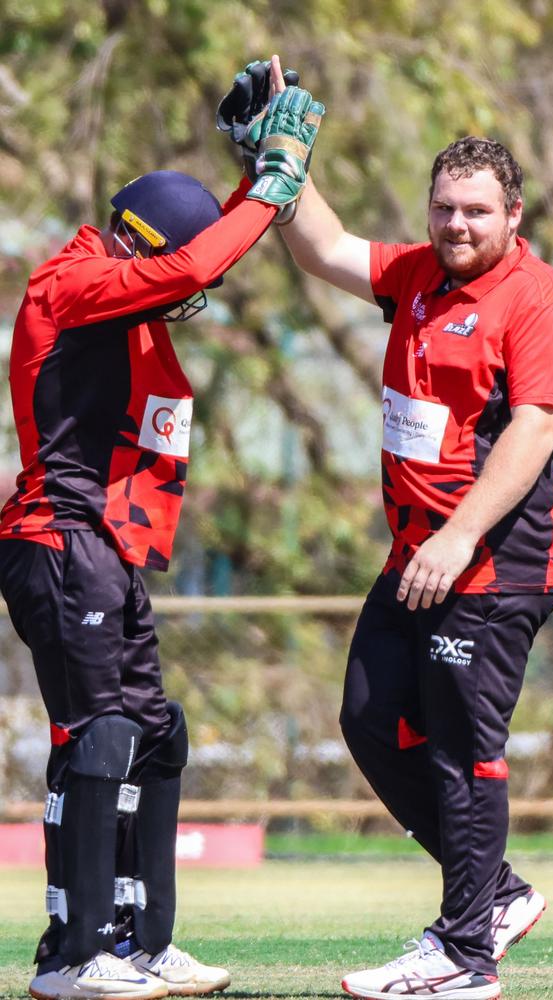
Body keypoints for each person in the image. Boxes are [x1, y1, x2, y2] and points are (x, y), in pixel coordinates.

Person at [269, 55, 553, 1000]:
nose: (457, 224)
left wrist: (458, 537)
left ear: (514, 217)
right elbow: (324, 248)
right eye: (445, 207)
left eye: (477, 211)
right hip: (415, 557)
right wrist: (283, 161)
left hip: (491, 565)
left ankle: (464, 954)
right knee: (370, 718)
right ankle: (491, 892)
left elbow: (534, 428)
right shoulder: (415, 276)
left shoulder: (540, 303)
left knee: (461, 750)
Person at [0, 78, 323, 1000]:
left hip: (103, 547)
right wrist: (265, 188)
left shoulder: (118, 273)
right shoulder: (71, 283)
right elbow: (184, 267)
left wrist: (252, 168)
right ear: (139, 246)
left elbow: (192, 258)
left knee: (155, 735)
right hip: (58, 540)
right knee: (99, 736)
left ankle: (142, 941)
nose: (191, 299)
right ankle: (73, 956)